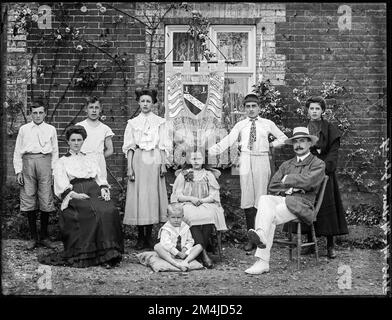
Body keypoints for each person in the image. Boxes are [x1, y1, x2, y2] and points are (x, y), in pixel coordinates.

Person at [208, 92, 287, 251]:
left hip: (262, 159)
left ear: (259, 108)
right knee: (248, 198)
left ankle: (262, 236)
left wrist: (271, 146)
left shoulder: (267, 123)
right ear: (244, 109)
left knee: (261, 198)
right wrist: (212, 150)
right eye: (248, 107)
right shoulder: (241, 125)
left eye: (254, 106)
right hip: (245, 159)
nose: (251, 109)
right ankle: (251, 237)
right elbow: (228, 140)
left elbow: (283, 138)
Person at [38, 125, 124, 268]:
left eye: (79, 140)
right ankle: (96, 255)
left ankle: (109, 252)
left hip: (94, 190)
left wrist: (104, 189)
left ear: (83, 141)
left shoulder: (90, 158)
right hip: (75, 193)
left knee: (109, 210)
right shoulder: (62, 161)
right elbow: (61, 184)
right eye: (73, 140)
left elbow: (99, 177)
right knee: (92, 213)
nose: (76, 143)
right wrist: (73, 194)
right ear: (68, 142)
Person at [245, 127, 325, 275]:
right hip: (285, 199)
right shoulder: (287, 164)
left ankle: (262, 262)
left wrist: (287, 179)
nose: (298, 145)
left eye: (302, 141)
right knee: (264, 199)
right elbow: (273, 185)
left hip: (303, 205)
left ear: (309, 144)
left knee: (269, 216)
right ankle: (261, 234)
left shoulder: (317, 163)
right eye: (295, 142)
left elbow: (309, 182)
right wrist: (295, 186)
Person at [122, 88, 169, 250]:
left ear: (153, 103)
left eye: (148, 101)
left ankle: (149, 236)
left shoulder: (160, 122)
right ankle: (140, 238)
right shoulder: (133, 123)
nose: (145, 104)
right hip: (139, 160)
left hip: (155, 159)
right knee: (139, 197)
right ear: (138, 103)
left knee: (151, 197)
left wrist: (163, 164)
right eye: (142, 101)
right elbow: (129, 147)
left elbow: (163, 145)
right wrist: (129, 168)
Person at [305, 96, 348, 258]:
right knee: (308, 205)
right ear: (307, 111)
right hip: (307, 173)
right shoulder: (304, 129)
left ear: (323, 111)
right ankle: (310, 242)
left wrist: (324, 167)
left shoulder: (330, 129)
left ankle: (330, 246)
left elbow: (333, 153)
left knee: (327, 206)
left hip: (325, 174)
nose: (314, 112)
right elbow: (300, 150)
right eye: (311, 108)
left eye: (317, 109)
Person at [171, 148, 227, 268]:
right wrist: (191, 198)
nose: (196, 161)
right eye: (193, 158)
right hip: (188, 203)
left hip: (206, 202)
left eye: (199, 159)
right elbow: (178, 195)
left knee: (209, 215)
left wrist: (202, 200)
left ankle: (201, 251)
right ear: (189, 160)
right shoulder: (185, 174)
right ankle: (203, 252)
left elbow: (214, 195)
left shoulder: (208, 174)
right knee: (191, 216)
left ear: (203, 160)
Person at [13, 103, 59, 250]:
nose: (38, 115)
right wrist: (18, 171)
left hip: (45, 161)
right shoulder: (24, 129)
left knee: (46, 198)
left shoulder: (51, 129)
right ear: (30, 114)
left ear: (45, 113)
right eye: (35, 113)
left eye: (40, 112)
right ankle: (33, 237)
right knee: (29, 197)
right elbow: (17, 151)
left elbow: (56, 152)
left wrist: (54, 171)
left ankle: (44, 236)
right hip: (28, 162)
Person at [154, 204, 203, 271]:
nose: (176, 220)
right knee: (157, 247)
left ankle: (186, 261)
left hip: (184, 253)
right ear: (168, 217)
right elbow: (166, 244)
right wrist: (178, 253)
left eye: (178, 217)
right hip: (170, 253)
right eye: (173, 217)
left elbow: (190, 241)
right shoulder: (166, 229)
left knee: (199, 246)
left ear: (182, 217)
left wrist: (185, 248)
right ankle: (175, 264)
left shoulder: (185, 227)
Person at [76, 96, 114, 181]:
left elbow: (110, 150)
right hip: (83, 162)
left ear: (100, 109)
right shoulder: (79, 126)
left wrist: (99, 157)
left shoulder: (105, 129)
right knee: (82, 187)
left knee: (100, 188)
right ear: (86, 109)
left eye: (96, 108)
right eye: (91, 107)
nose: (94, 110)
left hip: (98, 164)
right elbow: (74, 146)